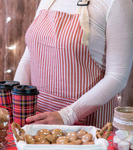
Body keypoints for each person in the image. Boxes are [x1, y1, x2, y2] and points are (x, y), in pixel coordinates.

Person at [13, 0, 133, 128]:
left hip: (88, 126)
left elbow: (117, 76)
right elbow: (28, 58)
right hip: (37, 119)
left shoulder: (117, 2)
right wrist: (15, 100)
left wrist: (66, 116)